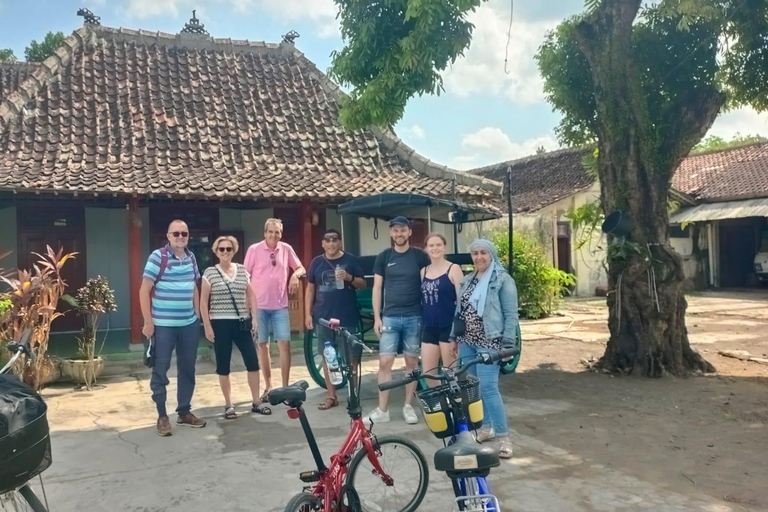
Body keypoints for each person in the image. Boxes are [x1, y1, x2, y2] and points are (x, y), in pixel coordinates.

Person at [450, 239, 519, 459]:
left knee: (489, 388)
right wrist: (454, 336)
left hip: (490, 342)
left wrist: (508, 343)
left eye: (483, 253)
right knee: (474, 388)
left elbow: (511, 315)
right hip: (467, 341)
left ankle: (503, 437)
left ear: (491, 255)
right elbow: (460, 311)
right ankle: (487, 427)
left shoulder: (503, 280)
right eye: (475, 253)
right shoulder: (469, 280)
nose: (479, 257)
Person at [139, 219, 206, 437]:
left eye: (184, 234)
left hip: (188, 325)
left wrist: (197, 316)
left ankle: (184, 412)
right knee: (160, 370)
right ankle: (162, 416)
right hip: (163, 326)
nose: (180, 237)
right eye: (176, 233)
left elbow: (194, 287)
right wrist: (148, 321)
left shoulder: (191, 257)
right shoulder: (158, 257)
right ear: (168, 236)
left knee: (188, 369)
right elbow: (144, 290)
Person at [364, 216, 430, 425]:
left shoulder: (420, 257)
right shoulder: (384, 257)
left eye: (403, 230)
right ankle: (383, 410)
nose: (399, 234)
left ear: (409, 232)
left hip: (414, 316)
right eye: (395, 231)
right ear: (391, 233)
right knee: (385, 362)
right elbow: (377, 288)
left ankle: (408, 406)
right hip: (390, 317)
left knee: (411, 362)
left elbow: (428, 283)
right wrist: (377, 317)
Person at [200, 236, 272, 419]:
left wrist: (255, 317)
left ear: (234, 251)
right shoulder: (209, 273)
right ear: (216, 252)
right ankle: (228, 404)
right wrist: (207, 325)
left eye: (229, 249)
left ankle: (256, 401)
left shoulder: (242, 270)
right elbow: (203, 301)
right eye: (221, 249)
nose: (225, 252)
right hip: (220, 322)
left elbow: (251, 296)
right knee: (223, 365)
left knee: (252, 362)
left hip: (241, 322)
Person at [244, 218, 306, 399]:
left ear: (281, 234)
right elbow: (245, 275)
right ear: (265, 233)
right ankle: (269, 386)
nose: (273, 235)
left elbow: (301, 267)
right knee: (262, 345)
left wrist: (295, 275)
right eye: (270, 231)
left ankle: (285, 387)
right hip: (259, 306)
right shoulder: (254, 250)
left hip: (280, 305)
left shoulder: (286, 249)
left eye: (277, 232)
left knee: (284, 345)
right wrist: (246, 302)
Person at [305, 228, 366, 410]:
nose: (331, 243)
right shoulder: (316, 262)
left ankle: (353, 394)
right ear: (323, 243)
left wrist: (349, 277)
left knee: (352, 358)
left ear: (340, 242)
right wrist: (307, 314)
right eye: (327, 240)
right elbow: (310, 289)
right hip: (323, 317)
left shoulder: (350, 260)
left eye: (335, 239)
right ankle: (331, 395)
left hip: (346, 315)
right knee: (327, 357)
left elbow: (362, 284)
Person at [420, 233, 464, 385]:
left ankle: (455, 406)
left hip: (448, 327)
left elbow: (462, 302)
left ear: (444, 247)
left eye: (438, 245)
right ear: (426, 249)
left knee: (451, 374)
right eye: (431, 245)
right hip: (429, 327)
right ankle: (439, 406)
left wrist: (456, 335)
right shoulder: (423, 271)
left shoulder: (454, 269)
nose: (435, 248)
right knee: (429, 374)